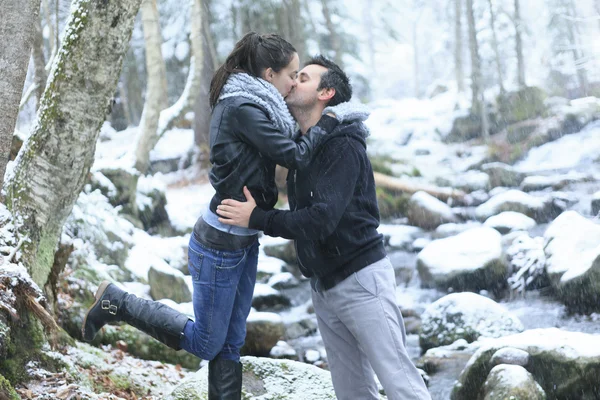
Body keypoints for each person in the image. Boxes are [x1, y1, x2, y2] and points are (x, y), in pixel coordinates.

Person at [81, 33, 344, 400]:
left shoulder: (256, 104)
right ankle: (116, 302)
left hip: (243, 239)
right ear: (270, 75)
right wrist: (330, 123)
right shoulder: (243, 108)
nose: (294, 82)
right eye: (292, 74)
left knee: (230, 344)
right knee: (207, 343)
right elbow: (295, 155)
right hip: (219, 244)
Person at [216, 55, 432, 400]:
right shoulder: (303, 147)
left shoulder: (342, 144)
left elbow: (320, 220)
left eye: (303, 78)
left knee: (401, 386)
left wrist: (257, 218)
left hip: (361, 280)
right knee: (353, 394)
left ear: (326, 93)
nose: (293, 82)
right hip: (324, 287)